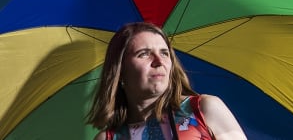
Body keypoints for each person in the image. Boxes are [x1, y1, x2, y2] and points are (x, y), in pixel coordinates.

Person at [86, 22, 247, 140]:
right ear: (119, 71)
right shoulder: (107, 138)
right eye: (144, 54)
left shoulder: (204, 109)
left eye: (164, 53)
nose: (159, 61)